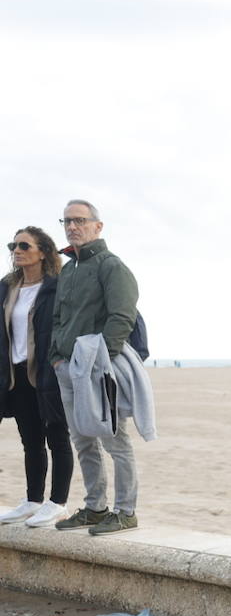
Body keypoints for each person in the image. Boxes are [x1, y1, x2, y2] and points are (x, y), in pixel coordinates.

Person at [48, 200, 142, 535]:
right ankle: (94, 507)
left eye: (79, 221)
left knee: (115, 440)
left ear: (97, 226)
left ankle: (126, 511)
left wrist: (103, 358)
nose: (72, 227)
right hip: (67, 368)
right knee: (83, 440)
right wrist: (56, 355)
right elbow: (60, 318)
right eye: (67, 221)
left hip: (98, 368)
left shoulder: (110, 265)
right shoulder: (69, 268)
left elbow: (122, 316)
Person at [0, 228, 72, 527]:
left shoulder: (57, 287)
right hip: (16, 375)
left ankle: (58, 503)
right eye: (12, 245)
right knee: (30, 439)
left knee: (57, 437)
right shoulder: (8, 287)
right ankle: (33, 500)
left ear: (42, 251)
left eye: (24, 245)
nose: (16, 250)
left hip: (47, 372)